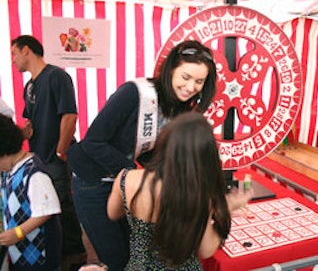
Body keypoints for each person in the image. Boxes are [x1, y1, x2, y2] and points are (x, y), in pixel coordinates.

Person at [66, 39, 217, 270]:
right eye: (185, 77)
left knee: (133, 251)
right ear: (171, 70)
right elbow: (94, 142)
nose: (190, 87)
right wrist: (135, 175)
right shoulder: (134, 92)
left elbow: (151, 152)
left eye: (199, 81)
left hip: (127, 181)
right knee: (115, 257)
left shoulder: (182, 108)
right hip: (94, 182)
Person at [107, 112, 253, 270]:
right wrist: (226, 209)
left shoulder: (125, 178)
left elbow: (113, 213)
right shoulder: (197, 194)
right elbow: (206, 250)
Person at [11, 35, 86, 270]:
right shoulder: (30, 85)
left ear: (26, 50)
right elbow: (32, 122)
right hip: (38, 157)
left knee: (62, 206)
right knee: (45, 208)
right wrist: (20, 134)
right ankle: (57, 253)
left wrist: (61, 150)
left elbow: (70, 115)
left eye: (14, 54)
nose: (12, 61)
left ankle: (75, 255)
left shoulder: (56, 76)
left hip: (54, 157)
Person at [0, 113, 62, 270]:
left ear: (4, 153)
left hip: (38, 255)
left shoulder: (34, 174)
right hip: (21, 253)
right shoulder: (9, 170)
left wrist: (19, 233)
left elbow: (47, 211)